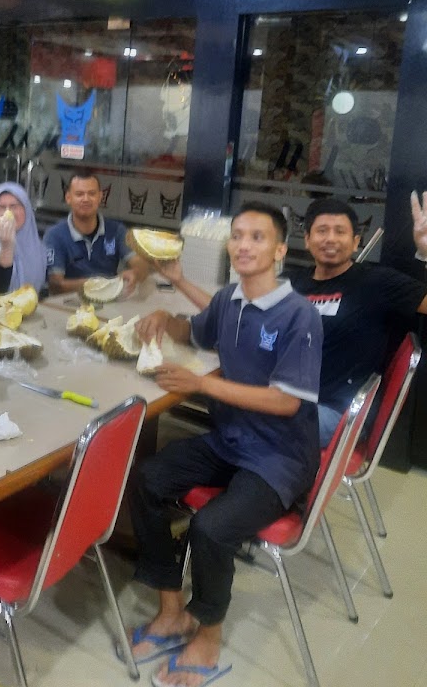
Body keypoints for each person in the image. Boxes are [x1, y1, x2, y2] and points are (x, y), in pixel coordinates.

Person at [126, 201, 322, 687]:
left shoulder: (300, 316)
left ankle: (208, 634)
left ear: (280, 250)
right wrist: (162, 314)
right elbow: (194, 331)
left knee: (211, 528)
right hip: (231, 442)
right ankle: (171, 610)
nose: (243, 245)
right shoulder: (230, 299)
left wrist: (202, 385)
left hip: (279, 456)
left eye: (257, 237)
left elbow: (286, 402)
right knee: (147, 479)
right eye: (237, 236)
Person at [290, 194, 427, 446]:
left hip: (336, 413)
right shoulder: (293, 283)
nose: (331, 238)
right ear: (307, 240)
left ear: (355, 242)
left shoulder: (377, 282)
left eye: (340, 231)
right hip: (287, 398)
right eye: (322, 231)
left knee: (248, 421)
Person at [43, 169, 149, 295]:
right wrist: (101, 284)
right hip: (67, 303)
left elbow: (141, 265)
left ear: (100, 197)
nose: (86, 199)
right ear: (68, 198)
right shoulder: (54, 235)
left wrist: (135, 273)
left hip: (109, 301)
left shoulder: (116, 230)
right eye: (79, 194)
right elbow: (55, 285)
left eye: (91, 194)